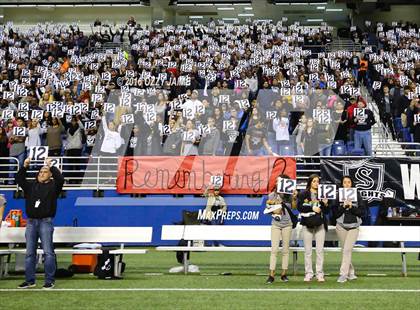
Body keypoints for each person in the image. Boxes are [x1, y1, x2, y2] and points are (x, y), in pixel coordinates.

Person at [15, 157, 64, 289]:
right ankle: (30, 280)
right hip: (31, 223)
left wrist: (51, 166)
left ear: (50, 175)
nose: (42, 173)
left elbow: (60, 180)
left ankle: (49, 280)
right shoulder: (31, 186)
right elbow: (19, 179)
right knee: (30, 253)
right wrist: (24, 166)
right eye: (40, 172)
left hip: (45, 222)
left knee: (48, 252)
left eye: (45, 172)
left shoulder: (53, 187)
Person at [332, 176, 366, 283]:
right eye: (344, 182)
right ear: (342, 184)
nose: (347, 184)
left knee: (346, 250)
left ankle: (343, 274)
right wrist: (343, 206)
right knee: (345, 250)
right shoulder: (338, 196)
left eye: (348, 182)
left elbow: (362, 213)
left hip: (354, 227)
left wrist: (351, 207)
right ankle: (351, 273)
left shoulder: (357, 195)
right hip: (341, 226)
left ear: (352, 184)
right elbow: (335, 214)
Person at [265, 177, 298, 284]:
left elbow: (293, 208)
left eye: (280, 181)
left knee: (285, 250)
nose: (277, 182)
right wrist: (274, 210)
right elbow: (268, 210)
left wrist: (294, 197)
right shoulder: (271, 195)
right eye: (277, 180)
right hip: (276, 224)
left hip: (287, 224)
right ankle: (271, 275)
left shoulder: (288, 195)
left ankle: (284, 274)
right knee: (274, 250)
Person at [297, 174, 329, 282]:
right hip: (307, 224)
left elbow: (327, 212)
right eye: (314, 181)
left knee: (320, 251)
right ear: (310, 182)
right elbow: (299, 207)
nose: (316, 183)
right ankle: (309, 273)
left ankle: (319, 273)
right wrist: (312, 208)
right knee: (308, 251)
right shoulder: (303, 194)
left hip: (320, 225)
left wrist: (325, 204)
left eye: (318, 181)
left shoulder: (322, 194)